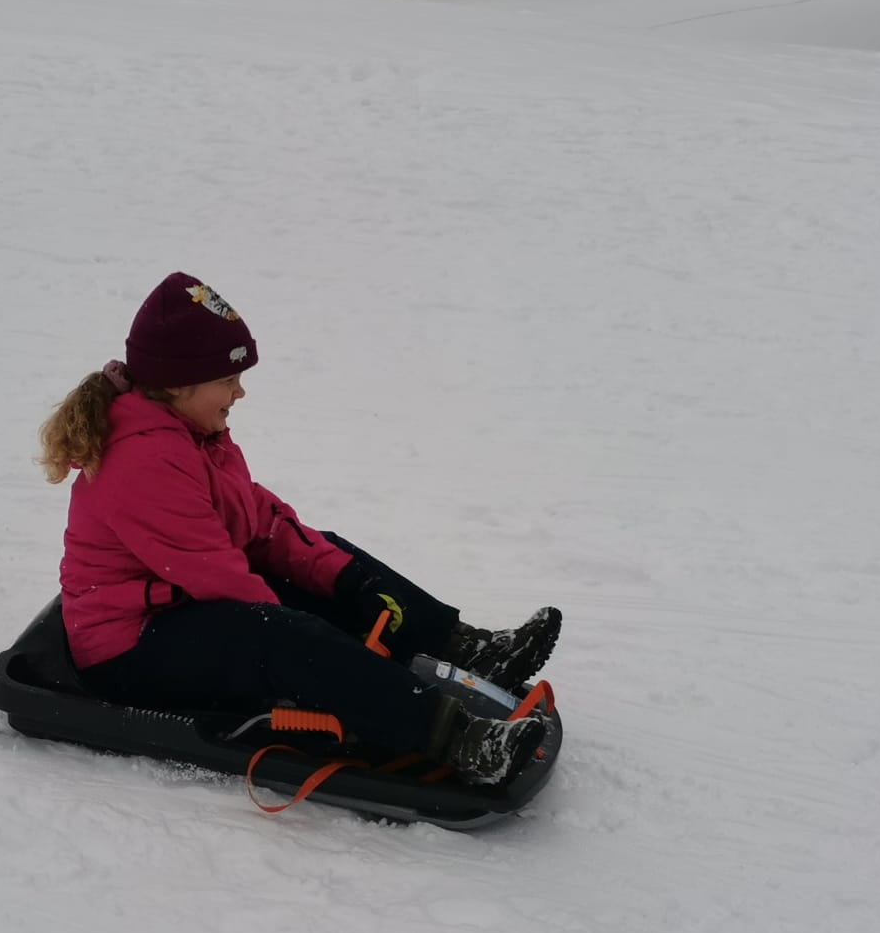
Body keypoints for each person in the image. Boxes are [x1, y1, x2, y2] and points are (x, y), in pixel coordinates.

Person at [38, 272, 561, 786]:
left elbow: (259, 522)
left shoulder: (192, 432)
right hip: (128, 648)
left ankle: (468, 649)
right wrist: (319, 643)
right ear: (179, 383)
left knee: (324, 559)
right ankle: (460, 741)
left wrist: (345, 582)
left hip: (181, 604)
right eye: (227, 380)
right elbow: (219, 577)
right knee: (283, 638)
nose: (240, 392)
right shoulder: (144, 460)